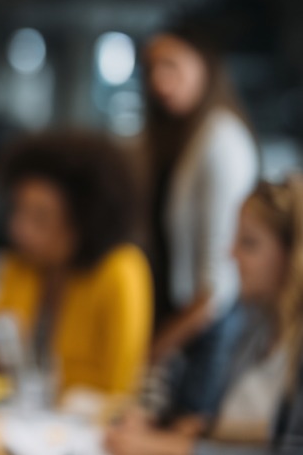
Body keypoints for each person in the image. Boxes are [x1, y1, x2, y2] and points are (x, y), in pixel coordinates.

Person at [0, 130, 153, 397]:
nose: (18, 229)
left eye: (40, 217)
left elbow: (119, 390)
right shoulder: (19, 267)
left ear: (84, 218)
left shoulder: (121, 271)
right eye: (17, 211)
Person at [105, 175, 303, 455]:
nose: (231, 253)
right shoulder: (256, 323)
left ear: (294, 255)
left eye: (249, 243)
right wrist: (167, 426)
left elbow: (289, 446)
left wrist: (180, 449)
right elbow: (260, 429)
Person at [142, 24, 259, 417]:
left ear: (205, 65)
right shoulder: (192, 136)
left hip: (208, 328)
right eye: (153, 68)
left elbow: (216, 286)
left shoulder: (221, 142)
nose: (160, 80)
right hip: (193, 322)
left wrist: (158, 346)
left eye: (172, 65)